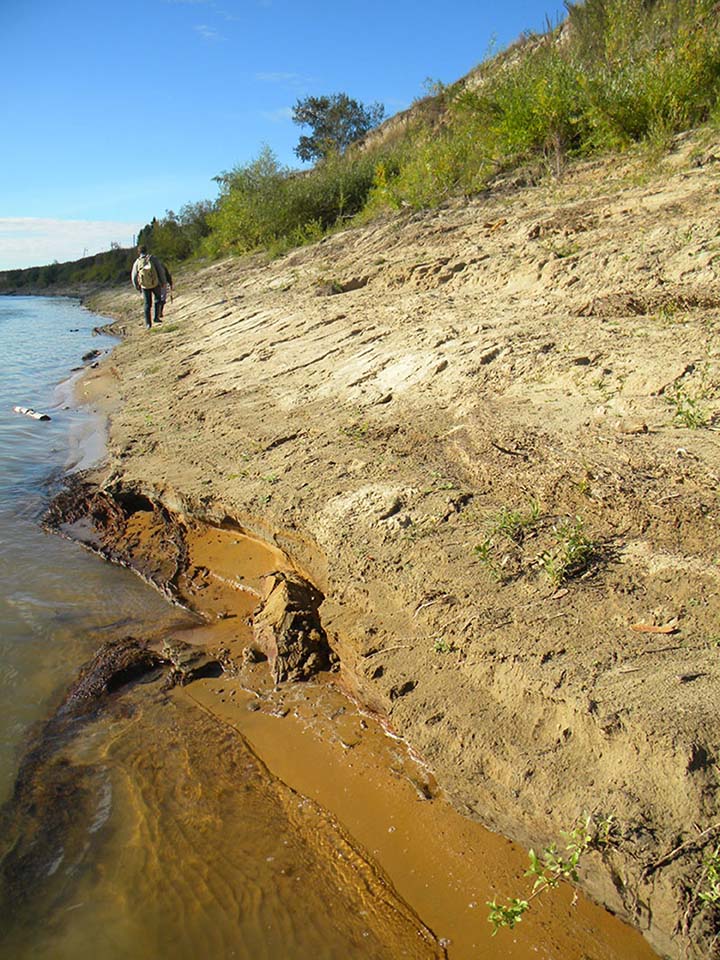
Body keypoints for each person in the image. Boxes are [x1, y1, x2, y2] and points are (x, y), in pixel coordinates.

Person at [131, 245, 168, 329]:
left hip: (144, 286)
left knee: (147, 304)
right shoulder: (153, 259)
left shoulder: (137, 262)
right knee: (158, 299)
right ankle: (156, 317)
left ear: (139, 252)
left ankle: (148, 324)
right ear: (146, 250)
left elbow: (133, 276)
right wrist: (163, 282)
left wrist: (137, 286)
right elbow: (160, 270)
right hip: (155, 283)